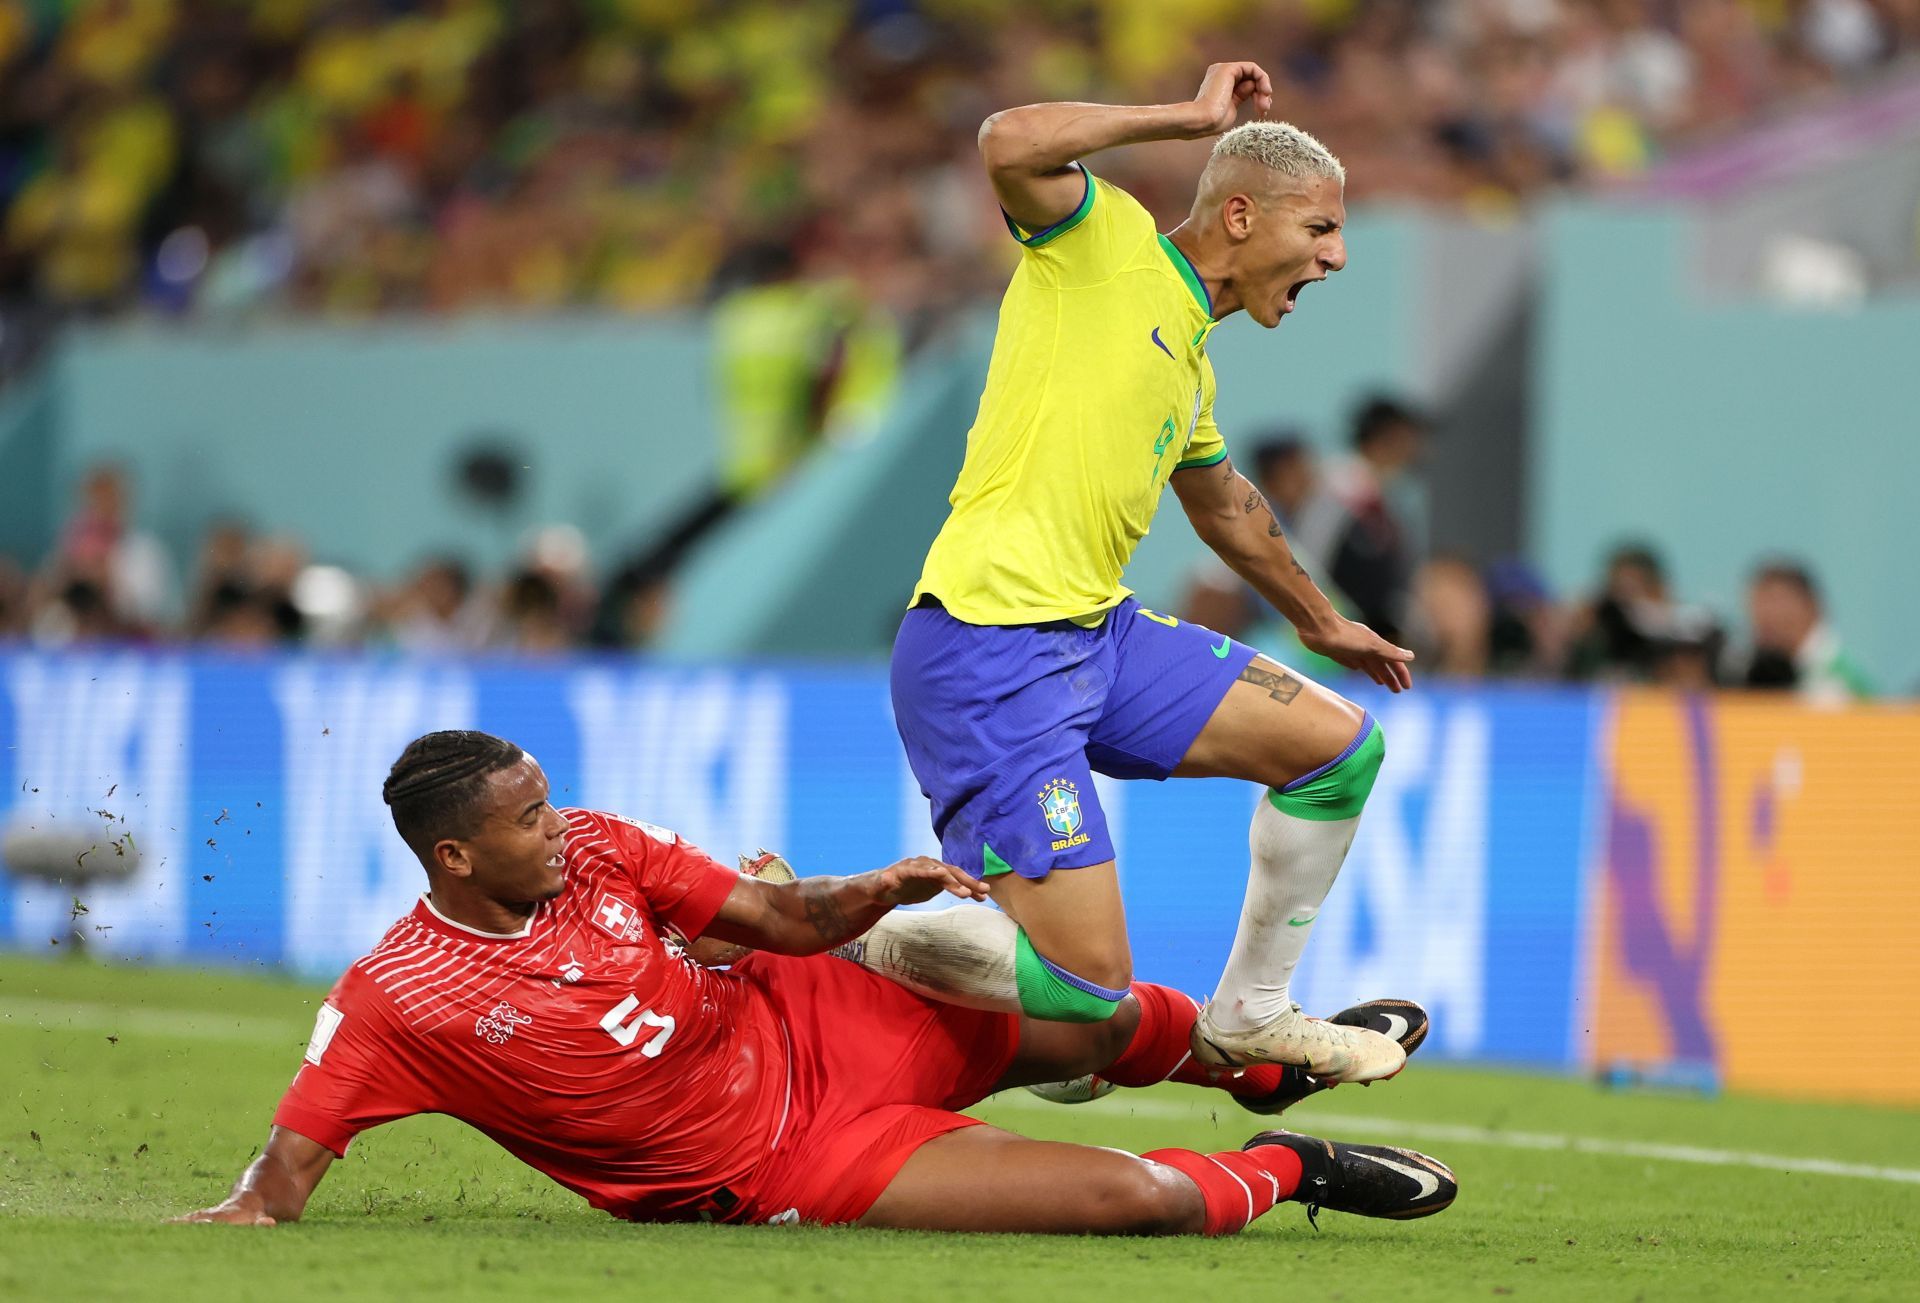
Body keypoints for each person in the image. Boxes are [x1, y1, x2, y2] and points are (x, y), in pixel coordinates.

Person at [176, 731, 1456, 1234]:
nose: (558, 823)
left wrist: (875, 893)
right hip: (792, 1162)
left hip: (825, 1013)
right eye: (524, 818)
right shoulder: (402, 996)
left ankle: (1261, 1058)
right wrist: (219, 1226)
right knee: (1139, 1199)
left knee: (1097, 1010)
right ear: (454, 854)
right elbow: (275, 1186)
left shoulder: (606, 848)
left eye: (547, 796)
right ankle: (1302, 1170)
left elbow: (780, 918)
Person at [890, 61, 1415, 1082]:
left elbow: (1225, 504)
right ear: (1238, 215)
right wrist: (1186, 117)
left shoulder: (1192, 359)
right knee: (1085, 1004)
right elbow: (1006, 139)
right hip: (988, 646)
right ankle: (832, 923)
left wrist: (1318, 618)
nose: (1338, 257)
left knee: (1339, 752)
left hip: (1097, 635)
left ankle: (1251, 1015)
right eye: (1320, 231)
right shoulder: (1103, 243)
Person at [1732, 560, 1871, 703]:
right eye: (1756, 604)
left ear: (1811, 606)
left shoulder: (1835, 682)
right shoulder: (1767, 673)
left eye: (1776, 602)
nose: (1763, 616)